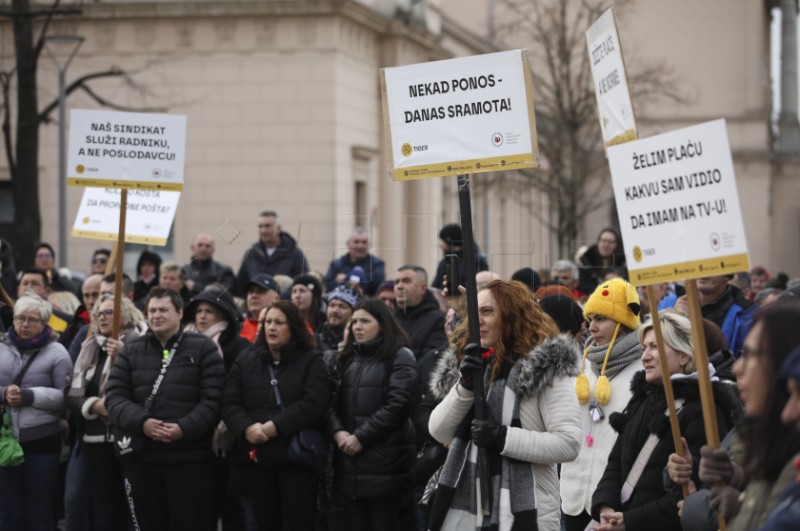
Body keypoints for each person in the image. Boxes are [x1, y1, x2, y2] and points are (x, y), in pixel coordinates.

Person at [426, 279, 581, 530]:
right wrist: (465, 385)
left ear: (511, 317)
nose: (478, 321)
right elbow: (439, 431)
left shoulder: (544, 368)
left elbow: (568, 443)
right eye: (475, 313)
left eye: (488, 312)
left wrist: (502, 438)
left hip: (528, 511)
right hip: (471, 507)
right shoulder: (476, 363)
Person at [590, 310, 741, 531]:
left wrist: (631, 521)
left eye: (655, 347)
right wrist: (606, 507)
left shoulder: (705, 409)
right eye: (644, 348)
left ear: (684, 355)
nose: (645, 356)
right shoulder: (644, 398)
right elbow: (615, 462)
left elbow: (697, 491)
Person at [105, 287, 225, 531]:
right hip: (142, 458)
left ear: (180, 313)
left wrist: (184, 428)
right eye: (152, 310)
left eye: (163, 310)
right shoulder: (131, 349)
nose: (156, 315)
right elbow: (115, 399)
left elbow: (213, 401)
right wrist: (142, 423)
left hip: (189, 459)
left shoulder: (203, 348)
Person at [223, 300, 330, 531]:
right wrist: (247, 428)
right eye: (268, 322)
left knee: (300, 523)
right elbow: (230, 402)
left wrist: (274, 427)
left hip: (296, 459)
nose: (271, 327)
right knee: (264, 522)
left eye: (279, 322)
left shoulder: (311, 360)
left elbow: (314, 403)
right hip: (257, 458)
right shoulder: (246, 359)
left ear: (293, 327)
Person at [696, 303, 800, 531]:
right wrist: (738, 482)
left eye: (751, 354)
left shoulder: (795, 465)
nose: (737, 368)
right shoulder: (767, 444)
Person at [326, 298, 418, 530]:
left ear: (382, 325)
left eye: (365, 321)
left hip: (386, 465)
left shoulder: (400, 356)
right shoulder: (348, 359)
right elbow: (330, 402)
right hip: (351, 464)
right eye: (354, 321)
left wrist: (360, 438)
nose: (357, 327)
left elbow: (397, 406)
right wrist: (338, 432)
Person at [560, 278, 644, 531]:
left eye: (601, 319)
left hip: (615, 498)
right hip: (572, 495)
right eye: (590, 319)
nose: (592, 327)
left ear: (623, 323)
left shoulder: (644, 370)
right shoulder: (581, 366)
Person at [67, 294, 146, 531]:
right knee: (105, 506)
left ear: (125, 314)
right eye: (99, 313)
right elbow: (72, 395)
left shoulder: (140, 344)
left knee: (132, 506)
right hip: (95, 439)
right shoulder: (89, 347)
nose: (103, 317)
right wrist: (91, 405)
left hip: (127, 439)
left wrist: (125, 355)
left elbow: (149, 386)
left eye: (109, 312)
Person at [0, 294, 73, 531]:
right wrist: (3, 394)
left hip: (42, 442)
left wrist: (29, 396)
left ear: (44, 323)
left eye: (32, 319)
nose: (25, 324)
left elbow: (67, 397)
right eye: (20, 318)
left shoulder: (57, 352)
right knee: (9, 512)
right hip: (6, 442)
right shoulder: (1, 348)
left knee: (39, 512)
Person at [183, 287, 252, 531]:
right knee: (200, 507)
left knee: (229, 505)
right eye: (198, 311)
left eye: (209, 311)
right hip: (190, 436)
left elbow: (240, 389)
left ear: (223, 315)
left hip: (223, 439)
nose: (201, 316)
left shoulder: (238, 346)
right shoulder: (181, 341)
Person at [235, 211, 309, 296]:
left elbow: (303, 284)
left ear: (278, 228)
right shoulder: (250, 254)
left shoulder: (295, 254)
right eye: (260, 226)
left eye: (267, 226)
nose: (263, 230)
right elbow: (240, 285)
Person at [394, 265, 447, 373]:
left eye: (406, 281)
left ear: (422, 288)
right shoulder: (390, 319)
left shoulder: (438, 321)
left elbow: (430, 362)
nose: (399, 286)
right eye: (397, 282)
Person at [323, 227, 386, 296]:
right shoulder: (336, 264)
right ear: (348, 244)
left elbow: (378, 284)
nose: (360, 246)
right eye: (356, 242)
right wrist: (362, 279)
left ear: (369, 245)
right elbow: (328, 285)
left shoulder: (377, 264)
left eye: (364, 242)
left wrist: (346, 278)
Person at [577, 227, 627, 295]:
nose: (606, 245)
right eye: (603, 241)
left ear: (616, 245)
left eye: (610, 242)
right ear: (598, 243)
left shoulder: (624, 267)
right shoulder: (585, 264)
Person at [240, 274, 280, 342]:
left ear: (276, 298)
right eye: (251, 291)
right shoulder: (237, 329)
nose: (253, 296)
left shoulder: (283, 329)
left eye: (260, 291)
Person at [317, 286, 359, 352]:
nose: (335, 310)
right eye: (332, 305)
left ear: (353, 312)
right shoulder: (314, 342)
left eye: (342, 306)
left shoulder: (358, 345)